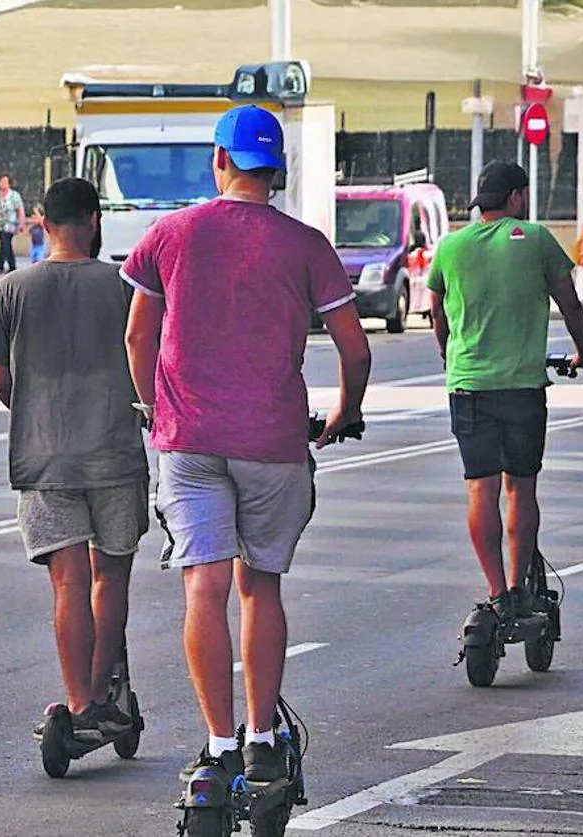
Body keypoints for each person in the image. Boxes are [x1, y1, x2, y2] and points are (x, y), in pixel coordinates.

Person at [123, 105, 371, 784]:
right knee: (261, 584)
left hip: (190, 439)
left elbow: (138, 337)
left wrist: (152, 406)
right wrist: (346, 409)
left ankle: (219, 744)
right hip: (272, 441)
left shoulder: (170, 234)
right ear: (277, 173)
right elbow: (355, 347)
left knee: (203, 584)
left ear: (220, 161)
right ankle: (262, 736)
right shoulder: (306, 244)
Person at [0, 177, 150, 739]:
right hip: (115, 456)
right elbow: (148, 360)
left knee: (68, 584)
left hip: (44, 459)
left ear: (43, 223)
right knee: (111, 578)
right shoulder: (123, 287)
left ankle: (76, 706)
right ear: (94, 221)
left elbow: (2, 380)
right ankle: (102, 697)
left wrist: (37, 412)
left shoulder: (13, 290)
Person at [427, 161, 583, 622]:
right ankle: (521, 586)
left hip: (468, 387)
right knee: (520, 488)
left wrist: (451, 356)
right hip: (522, 388)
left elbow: (437, 313)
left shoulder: (450, 246)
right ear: (517, 197)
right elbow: (568, 302)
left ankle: (497, 591)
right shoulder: (536, 238)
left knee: (479, 489)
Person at [0, 173, 26, 274]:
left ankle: (0, 266)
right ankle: (12, 266)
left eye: (5, 182)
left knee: (4, 243)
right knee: (6, 245)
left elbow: (20, 210)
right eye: (1, 182)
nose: (3, 184)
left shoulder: (14, 195)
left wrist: (21, 223)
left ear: (9, 184)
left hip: (10, 225)